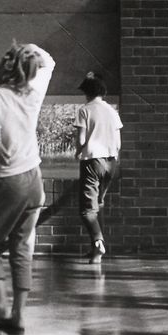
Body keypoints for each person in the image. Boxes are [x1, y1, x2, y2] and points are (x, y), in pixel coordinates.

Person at [0, 42, 56, 335]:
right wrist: (28, 48)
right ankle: (18, 316)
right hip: (34, 179)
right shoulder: (31, 95)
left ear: (3, 68)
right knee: (22, 247)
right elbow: (49, 62)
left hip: (7, 180)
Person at [74, 72, 123, 262]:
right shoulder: (112, 111)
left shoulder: (84, 110)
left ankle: (98, 242)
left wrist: (78, 151)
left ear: (86, 92)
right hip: (111, 162)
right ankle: (96, 251)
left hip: (92, 161)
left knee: (87, 209)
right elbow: (118, 143)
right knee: (98, 204)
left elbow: (81, 139)